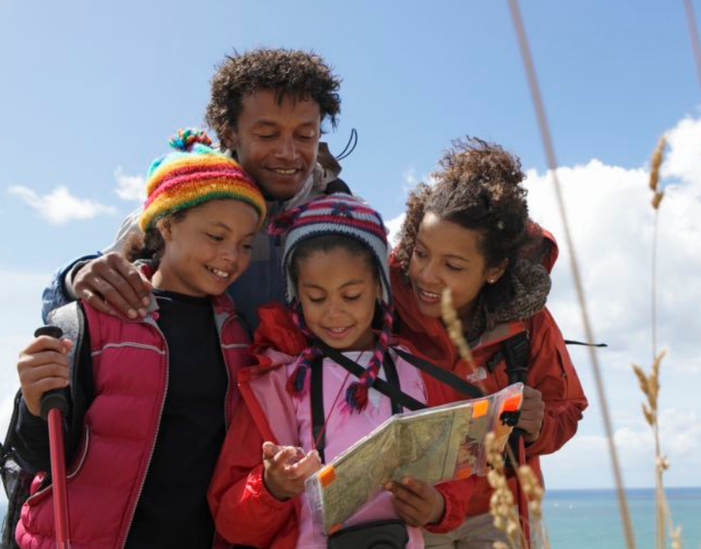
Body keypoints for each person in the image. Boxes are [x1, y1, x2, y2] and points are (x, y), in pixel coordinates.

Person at [12, 130, 265, 549]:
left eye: (245, 245)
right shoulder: (93, 316)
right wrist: (33, 401)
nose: (231, 257)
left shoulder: (239, 336)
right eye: (216, 237)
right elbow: (37, 455)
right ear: (166, 225)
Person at [209, 193, 472, 549]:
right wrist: (271, 488)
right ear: (295, 295)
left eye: (351, 296)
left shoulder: (418, 374)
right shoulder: (274, 385)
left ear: (379, 288)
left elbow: (457, 478)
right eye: (316, 297)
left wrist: (437, 506)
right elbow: (231, 522)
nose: (333, 314)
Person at [41, 48, 347, 330]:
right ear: (229, 135)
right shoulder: (184, 202)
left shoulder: (342, 213)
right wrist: (76, 276)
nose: (288, 153)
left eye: (305, 135)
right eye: (267, 134)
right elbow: (66, 303)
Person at [391, 137, 588, 548]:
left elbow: (568, 408)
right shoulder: (380, 304)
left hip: (497, 512)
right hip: (413, 510)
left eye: (453, 265)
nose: (427, 276)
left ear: (494, 270)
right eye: (421, 253)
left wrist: (539, 425)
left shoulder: (526, 322)